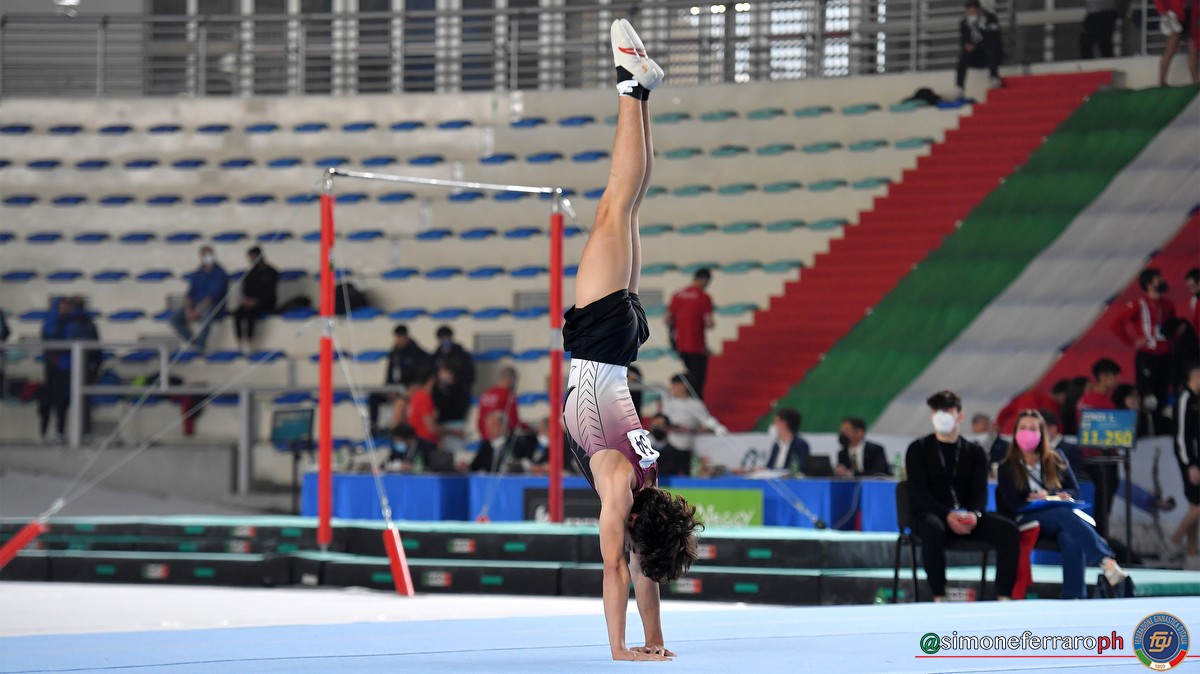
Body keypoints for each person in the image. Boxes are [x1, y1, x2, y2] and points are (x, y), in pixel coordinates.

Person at [560, 20, 702, 661]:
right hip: (599, 342)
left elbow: (643, 569)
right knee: (616, 203)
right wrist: (621, 650)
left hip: (620, 345)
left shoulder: (648, 480)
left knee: (629, 205)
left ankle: (641, 92)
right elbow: (617, 569)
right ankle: (631, 89)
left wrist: (655, 642)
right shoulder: (620, 486)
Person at [995, 410, 1128, 599]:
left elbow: (1074, 490)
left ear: (1042, 433)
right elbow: (1012, 504)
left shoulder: (1056, 458)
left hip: (1057, 518)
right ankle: (1106, 561)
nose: (1027, 432)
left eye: (1032, 428)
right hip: (1026, 518)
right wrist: (1037, 500)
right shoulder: (1006, 467)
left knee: (1070, 537)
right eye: (1023, 428)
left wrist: (1054, 496)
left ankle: (1073, 597)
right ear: (1015, 432)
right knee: (1063, 514)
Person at [905, 389, 1018, 601]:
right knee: (931, 527)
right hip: (932, 515)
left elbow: (980, 492)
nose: (942, 416)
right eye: (937, 411)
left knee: (1008, 530)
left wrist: (975, 514)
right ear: (932, 416)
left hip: (967, 517)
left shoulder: (974, 452)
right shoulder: (918, 449)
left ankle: (1004, 596)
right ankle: (939, 595)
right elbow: (919, 492)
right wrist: (947, 515)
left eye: (947, 410)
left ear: (960, 415)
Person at [1112, 268, 1176, 431]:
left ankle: (1161, 430)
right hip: (1148, 356)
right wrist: (1132, 342)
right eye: (1158, 279)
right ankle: (1145, 430)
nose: (1162, 281)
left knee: (1162, 395)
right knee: (1147, 397)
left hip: (1166, 356)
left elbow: (1173, 327)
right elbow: (1116, 324)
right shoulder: (1139, 304)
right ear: (1148, 284)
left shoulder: (1168, 304)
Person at [1077, 357, 1122, 536]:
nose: (1117, 380)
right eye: (1114, 376)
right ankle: (1100, 540)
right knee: (1102, 505)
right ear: (1103, 377)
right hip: (1102, 461)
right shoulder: (1101, 402)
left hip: (1093, 460)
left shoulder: (1085, 399)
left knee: (1099, 505)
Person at [368, 325, 430, 433]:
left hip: (408, 389)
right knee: (374, 397)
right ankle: (373, 427)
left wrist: (412, 386)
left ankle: (398, 430)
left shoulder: (417, 353)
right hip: (393, 388)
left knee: (401, 402)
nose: (399, 340)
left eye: (401, 337)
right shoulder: (394, 353)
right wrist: (388, 388)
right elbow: (389, 374)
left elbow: (420, 375)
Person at [666, 268, 714, 399]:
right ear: (705, 280)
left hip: (681, 343)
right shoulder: (704, 297)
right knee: (699, 379)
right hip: (697, 344)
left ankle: (689, 400)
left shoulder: (677, 295)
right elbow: (709, 323)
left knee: (689, 375)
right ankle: (697, 403)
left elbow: (668, 319)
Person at [170, 245, 228, 353]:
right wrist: (188, 309)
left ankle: (201, 346)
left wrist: (197, 310)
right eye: (205, 255)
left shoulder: (220, 273)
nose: (208, 257)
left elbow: (213, 296)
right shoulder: (198, 273)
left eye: (210, 254)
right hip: (195, 305)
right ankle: (194, 343)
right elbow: (190, 293)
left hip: (213, 305)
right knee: (174, 318)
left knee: (206, 315)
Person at [1170, 363, 1200, 559]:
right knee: (1197, 502)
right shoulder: (1185, 399)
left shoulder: (1196, 400)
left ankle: (1191, 548)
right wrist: (1189, 464)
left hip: (1196, 459)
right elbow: (1181, 436)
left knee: (1194, 503)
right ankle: (1174, 539)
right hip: (1190, 460)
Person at [660, 373, 726, 455]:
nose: (672, 387)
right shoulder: (668, 403)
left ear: (684, 385)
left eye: (675, 385)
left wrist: (691, 430)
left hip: (688, 447)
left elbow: (709, 425)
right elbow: (662, 423)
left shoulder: (696, 404)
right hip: (669, 445)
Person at [232, 246, 278, 353]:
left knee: (250, 313)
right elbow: (245, 289)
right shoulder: (250, 273)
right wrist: (245, 300)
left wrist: (256, 301)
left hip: (265, 302)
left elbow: (270, 292)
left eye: (253, 257)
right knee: (237, 313)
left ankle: (249, 341)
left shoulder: (272, 272)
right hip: (249, 301)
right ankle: (239, 341)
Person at [956, 0, 1003, 99]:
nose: (971, 14)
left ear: (979, 11)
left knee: (991, 49)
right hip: (975, 55)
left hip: (988, 53)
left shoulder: (990, 19)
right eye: (969, 12)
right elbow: (963, 40)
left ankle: (994, 77)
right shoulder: (964, 23)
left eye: (973, 11)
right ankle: (960, 87)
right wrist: (967, 46)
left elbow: (994, 38)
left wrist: (979, 27)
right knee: (962, 58)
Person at [1154, 0, 1200, 86]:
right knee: (1170, 49)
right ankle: (1162, 81)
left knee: (1193, 51)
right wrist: (1163, 12)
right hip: (1175, 15)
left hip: (1191, 14)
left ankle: (1196, 82)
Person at [432, 362, 471, 454]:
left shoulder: (460, 389)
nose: (441, 375)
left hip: (455, 424)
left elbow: (457, 407)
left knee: (456, 453)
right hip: (442, 425)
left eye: (444, 372)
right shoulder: (438, 390)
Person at [477, 366, 520, 439]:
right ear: (510, 380)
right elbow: (514, 420)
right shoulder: (507, 395)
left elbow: (480, 420)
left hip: (485, 437)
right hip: (500, 437)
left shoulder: (485, 394)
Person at [764, 408, 810, 473]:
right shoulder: (776, 445)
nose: (774, 425)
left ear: (784, 424)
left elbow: (797, 467)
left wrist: (776, 471)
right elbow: (770, 465)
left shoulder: (800, 444)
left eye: (776, 422)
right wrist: (763, 469)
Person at [433, 325, 475, 389]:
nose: (445, 341)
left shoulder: (462, 355)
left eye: (447, 338)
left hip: (459, 389)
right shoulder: (436, 356)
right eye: (443, 338)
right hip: (440, 390)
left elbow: (469, 374)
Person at [405, 367, 439, 446]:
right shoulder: (424, 398)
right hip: (426, 442)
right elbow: (431, 428)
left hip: (418, 440)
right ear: (432, 380)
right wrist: (453, 432)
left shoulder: (416, 396)